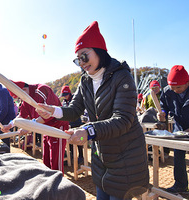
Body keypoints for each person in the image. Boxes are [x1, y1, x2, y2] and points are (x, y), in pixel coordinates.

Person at [36, 21, 149, 199]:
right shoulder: (85, 81)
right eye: (77, 59)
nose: (81, 63)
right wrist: (53, 110)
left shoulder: (122, 76)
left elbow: (123, 119)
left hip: (126, 155)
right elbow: (74, 109)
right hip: (101, 154)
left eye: (84, 56)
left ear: (99, 51)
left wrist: (89, 130)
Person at [3, 81, 69, 174]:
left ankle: (58, 184)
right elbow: (21, 116)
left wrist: (29, 127)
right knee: (46, 159)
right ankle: (48, 181)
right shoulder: (26, 99)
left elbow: (47, 115)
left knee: (55, 161)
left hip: (57, 127)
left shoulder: (42, 89)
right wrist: (9, 125)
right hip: (45, 128)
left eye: (19, 97)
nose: (20, 100)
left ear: (24, 90)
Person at [157, 65, 189, 194]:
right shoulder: (167, 90)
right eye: (172, 87)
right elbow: (163, 104)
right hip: (180, 125)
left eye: (178, 87)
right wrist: (163, 112)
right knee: (178, 154)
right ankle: (181, 185)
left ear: (187, 83)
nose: (175, 90)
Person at [60, 85, 84, 165]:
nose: (65, 97)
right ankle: (72, 156)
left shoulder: (74, 99)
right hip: (69, 124)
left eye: (66, 95)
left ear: (69, 94)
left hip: (77, 123)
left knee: (79, 141)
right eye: (63, 96)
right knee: (70, 142)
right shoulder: (63, 102)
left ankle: (81, 156)